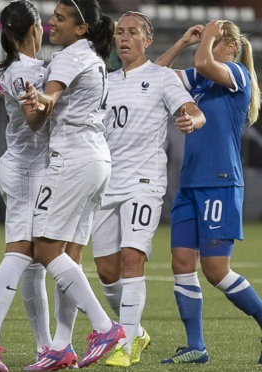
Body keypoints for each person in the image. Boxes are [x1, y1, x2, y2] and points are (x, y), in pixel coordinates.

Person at [91, 11, 205, 368]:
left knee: (131, 260)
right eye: (119, 32)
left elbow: (192, 109)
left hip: (144, 183)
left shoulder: (162, 78)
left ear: (147, 38)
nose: (123, 38)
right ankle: (136, 330)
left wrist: (192, 119)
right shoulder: (105, 81)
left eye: (132, 32)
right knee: (106, 271)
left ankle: (124, 345)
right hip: (107, 184)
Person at [20, 0, 125, 369]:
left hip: (72, 158)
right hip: (97, 158)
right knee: (72, 255)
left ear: (81, 28)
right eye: (53, 16)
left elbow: (52, 96)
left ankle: (105, 327)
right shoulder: (93, 56)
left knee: (45, 249)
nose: (52, 22)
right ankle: (61, 346)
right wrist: (41, 103)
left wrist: (40, 99)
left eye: (61, 18)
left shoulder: (67, 56)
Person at [155, 19, 262, 364]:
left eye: (214, 41)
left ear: (229, 45)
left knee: (216, 270)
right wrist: (184, 41)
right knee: (182, 263)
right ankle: (196, 346)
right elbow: (155, 76)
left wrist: (211, 35)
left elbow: (203, 62)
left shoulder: (237, 75)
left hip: (220, 181)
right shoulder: (201, 80)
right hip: (190, 185)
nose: (206, 45)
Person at [0, 2, 53, 371]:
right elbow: (35, 121)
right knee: (19, 253)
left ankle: (46, 347)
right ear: (35, 28)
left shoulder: (29, 68)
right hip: (25, 170)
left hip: (30, 168)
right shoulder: (22, 71)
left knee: (34, 266)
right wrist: (55, 94)